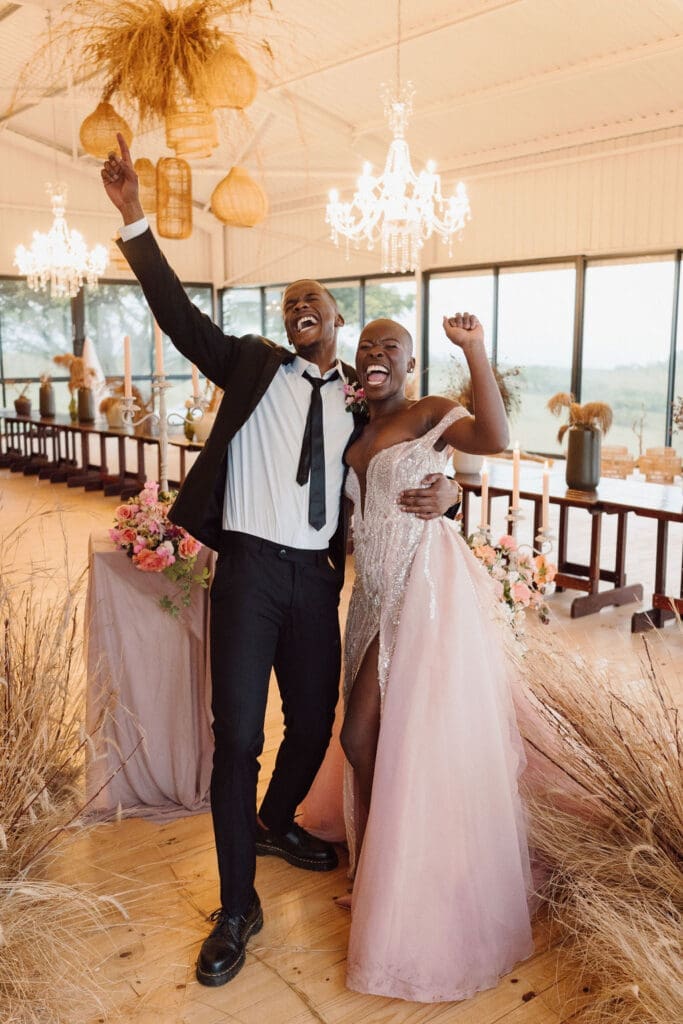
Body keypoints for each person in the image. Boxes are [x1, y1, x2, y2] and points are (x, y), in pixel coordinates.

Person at [100, 134, 461, 987]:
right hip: (251, 573)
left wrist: (453, 496)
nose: (301, 302)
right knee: (237, 737)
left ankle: (272, 821)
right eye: (291, 298)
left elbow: (418, 463)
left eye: (316, 300)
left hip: (316, 579)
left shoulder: (363, 407)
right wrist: (134, 216)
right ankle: (236, 907)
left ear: (336, 324)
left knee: (312, 724)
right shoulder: (250, 365)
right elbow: (178, 316)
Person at [339, 314, 534, 1002]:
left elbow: (494, 438)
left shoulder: (428, 413)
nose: (376, 352)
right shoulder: (352, 429)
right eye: (366, 345)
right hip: (368, 598)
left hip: (421, 589)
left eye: (390, 345)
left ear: (411, 363)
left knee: (367, 738)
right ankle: (373, 872)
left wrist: (474, 349)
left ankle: (399, 884)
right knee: (377, 743)